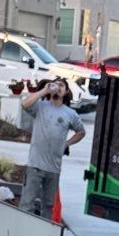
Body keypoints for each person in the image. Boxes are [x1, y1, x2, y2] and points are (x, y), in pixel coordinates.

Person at [17, 78, 86, 220]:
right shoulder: (40, 106)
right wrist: (44, 90)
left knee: (48, 206)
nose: (58, 87)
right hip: (35, 166)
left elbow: (81, 132)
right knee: (27, 204)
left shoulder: (70, 114)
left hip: (53, 169)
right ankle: (23, 234)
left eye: (62, 86)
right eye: (56, 85)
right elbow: (24, 104)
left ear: (66, 92)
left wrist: (66, 144)